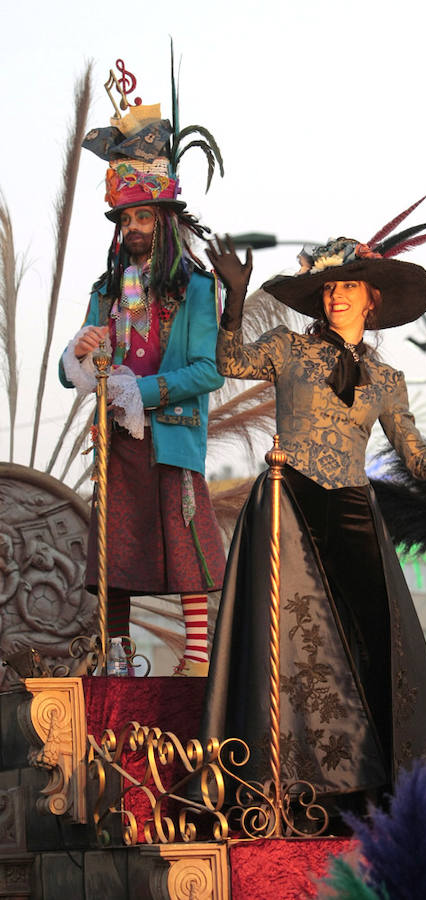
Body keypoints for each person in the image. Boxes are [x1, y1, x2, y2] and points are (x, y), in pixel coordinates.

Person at [198, 218, 426, 817]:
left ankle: (383, 784)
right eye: (328, 286)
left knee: (376, 640)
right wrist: (234, 299)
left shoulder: (389, 380)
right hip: (290, 501)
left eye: (348, 285)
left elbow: (416, 460)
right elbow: (232, 363)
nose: (336, 293)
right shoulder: (290, 349)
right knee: (293, 641)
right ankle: (290, 781)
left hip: (351, 505)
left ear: (372, 298)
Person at [59, 67, 226, 676]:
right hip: (117, 442)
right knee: (117, 553)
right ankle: (118, 654)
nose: (131, 229)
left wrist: (143, 388)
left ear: (165, 221)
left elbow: (208, 371)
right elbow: (65, 368)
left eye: (142, 218)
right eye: (124, 220)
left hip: (172, 429)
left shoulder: (198, 289)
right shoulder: (104, 289)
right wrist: (78, 348)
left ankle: (198, 658)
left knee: (184, 545)